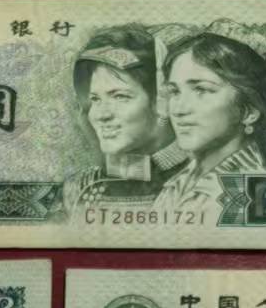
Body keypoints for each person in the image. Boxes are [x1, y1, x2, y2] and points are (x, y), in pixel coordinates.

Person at [152, 31, 266, 217]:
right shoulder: (178, 183)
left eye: (201, 90)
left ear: (249, 111)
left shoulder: (259, 192)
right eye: (175, 92)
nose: (178, 109)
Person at [62, 26, 186, 209]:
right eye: (95, 99)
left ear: (161, 100)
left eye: (120, 97)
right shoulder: (79, 189)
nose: (102, 115)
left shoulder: (204, 183)